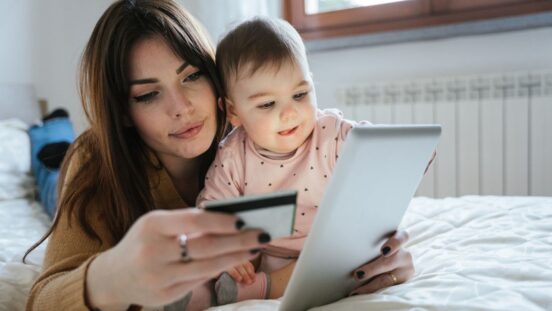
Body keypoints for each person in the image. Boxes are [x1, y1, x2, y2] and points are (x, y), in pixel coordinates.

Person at [25, 1, 413, 310]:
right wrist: (114, 274)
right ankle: (48, 135)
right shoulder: (96, 162)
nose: (182, 108)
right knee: (50, 174)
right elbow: (42, 299)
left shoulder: (249, 131)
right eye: (148, 94)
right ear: (123, 112)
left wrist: (371, 258)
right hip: (86, 173)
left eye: (191, 76)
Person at [196, 17, 418, 305]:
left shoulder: (332, 132)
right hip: (269, 255)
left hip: (331, 250)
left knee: (349, 260)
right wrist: (225, 251)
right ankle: (260, 285)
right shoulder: (232, 153)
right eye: (267, 104)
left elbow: (371, 151)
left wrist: (398, 156)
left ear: (312, 83)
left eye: (300, 94)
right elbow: (211, 211)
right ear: (233, 111)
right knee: (233, 269)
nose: (289, 113)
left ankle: (267, 288)